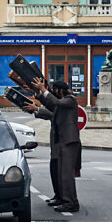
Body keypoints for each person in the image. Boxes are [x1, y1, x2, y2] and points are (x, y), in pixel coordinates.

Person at [32, 78, 80, 212]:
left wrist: (44, 90)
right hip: (62, 141)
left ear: (61, 90)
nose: (53, 92)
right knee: (60, 173)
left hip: (69, 141)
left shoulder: (70, 99)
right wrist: (38, 93)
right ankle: (65, 200)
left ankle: (71, 203)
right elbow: (50, 104)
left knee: (66, 174)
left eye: (54, 90)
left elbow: (56, 101)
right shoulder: (61, 103)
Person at [24, 97, 64, 208]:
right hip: (54, 146)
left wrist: (37, 108)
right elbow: (48, 115)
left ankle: (62, 197)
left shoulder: (63, 102)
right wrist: (35, 110)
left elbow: (53, 115)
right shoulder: (57, 101)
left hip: (60, 144)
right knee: (54, 171)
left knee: (58, 172)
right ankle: (57, 195)